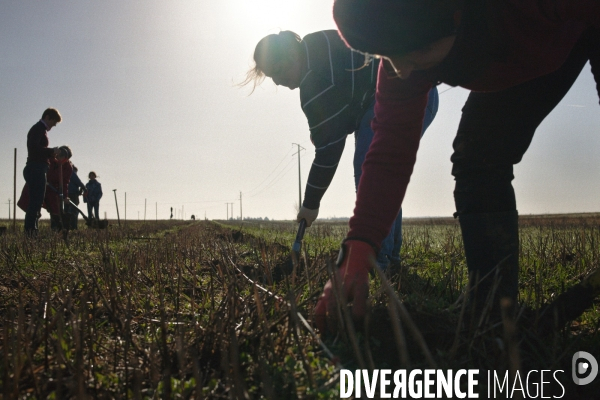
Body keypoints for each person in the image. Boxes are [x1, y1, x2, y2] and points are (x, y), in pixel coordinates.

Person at [315, 0, 600, 331]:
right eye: (385, 58)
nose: (401, 71)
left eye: (411, 53)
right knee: (477, 156)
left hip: (574, 23)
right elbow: (389, 151)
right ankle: (493, 313)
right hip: (517, 53)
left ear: (455, 15)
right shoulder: (402, 51)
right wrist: (362, 242)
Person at [244, 30, 438, 269]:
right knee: (376, 169)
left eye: (277, 71)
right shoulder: (318, 44)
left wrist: (310, 204)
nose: (276, 81)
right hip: (409, 91)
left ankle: (377, 260)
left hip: (406, 92)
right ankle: (388, 259)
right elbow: (335, 128)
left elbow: (328, 152)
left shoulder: (313, 79)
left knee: (371, 168)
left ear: (290, 56)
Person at [23, 108, 62, 236]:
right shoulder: (38, 128)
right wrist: (51, 151)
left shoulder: (40, 129)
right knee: (35, 201)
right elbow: (34, 148)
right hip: (36, 168)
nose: (53, 126)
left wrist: (50, 156)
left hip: (37, 168)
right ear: (47, 117)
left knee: (36, 201)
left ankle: (32, 230)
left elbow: (38, 150)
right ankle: (30, 231)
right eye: (53, 122)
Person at [45, 146, 73, 231]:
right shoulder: (49, 160)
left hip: (55, 190)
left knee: (55, 209)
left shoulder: (68, 167)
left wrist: (65, 196)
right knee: (36, 206)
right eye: (59, 156)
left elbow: (65, 182)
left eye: (64, 158)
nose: (61, 159)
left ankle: (56, 228)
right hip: (45, 186)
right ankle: (31, 231)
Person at [67, 165, 86, 229]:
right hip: (73, 194)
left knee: (67, 210)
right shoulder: (72, 173)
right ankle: (73, 226)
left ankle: (67, 225)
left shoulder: (65, 172)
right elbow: (78, 182)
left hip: (66, 194)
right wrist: (83, 187)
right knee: (74, 210)